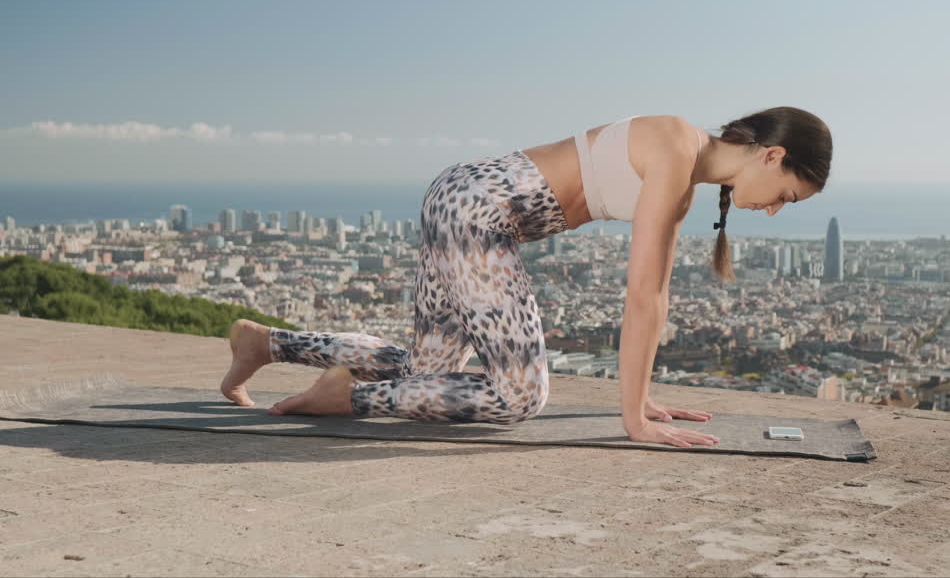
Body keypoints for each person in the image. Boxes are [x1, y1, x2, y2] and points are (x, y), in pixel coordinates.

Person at [220, 107, 830, 448]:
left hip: (459, 196)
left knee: (429, 376)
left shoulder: (682, 171)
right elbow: (645, 297)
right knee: (519, 396)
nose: (774, 209)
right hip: (480, 212)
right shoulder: (676, 148)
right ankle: (346, 396)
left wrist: (641, 398)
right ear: (772, 156)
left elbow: (654, 296)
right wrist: (633, 423)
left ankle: (266, 343)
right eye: (787, 195)